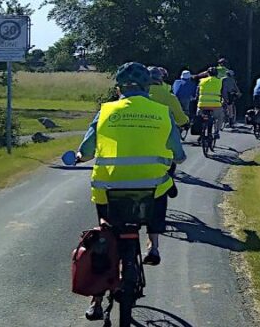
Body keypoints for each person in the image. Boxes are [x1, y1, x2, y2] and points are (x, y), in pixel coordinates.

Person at [75, 62, 186, 321]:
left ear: (118, 88)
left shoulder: (105, 112)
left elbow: (87, 151)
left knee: (104, 238)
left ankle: (96, 301)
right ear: (148, 87)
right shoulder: (161, 112)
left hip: (109, 191)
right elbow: (179, 156)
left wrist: (79, 157)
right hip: (150, 190)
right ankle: (153, 244)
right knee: (162, 190)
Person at [196, 67, 225, 138]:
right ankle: (216, 132)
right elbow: (223, 93)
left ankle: (201, 132)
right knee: (220, 117)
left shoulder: (201, 81)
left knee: (199, 117)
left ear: (207, 73)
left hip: (202, 105)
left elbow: (197, 92)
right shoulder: (220, 81)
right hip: (215, 105)